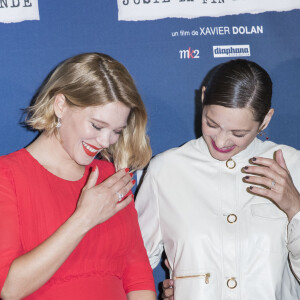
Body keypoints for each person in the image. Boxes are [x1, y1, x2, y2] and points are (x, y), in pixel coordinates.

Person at [135, 59, 300, 299]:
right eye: (211, 124)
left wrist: (295, 207)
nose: (221, 142)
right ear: (203, 98)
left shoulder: (293, 165)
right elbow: (131, 266)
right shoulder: (167, 171)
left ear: (265, 119)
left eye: (238, 133)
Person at [0, 53, 156, 299]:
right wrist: (84, 218)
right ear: (60, 105)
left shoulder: (112, 177)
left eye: (117, 130)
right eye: (96, 126)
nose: (106, 142)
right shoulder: (7, 176)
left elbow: (138, 277)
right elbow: (9, 288)